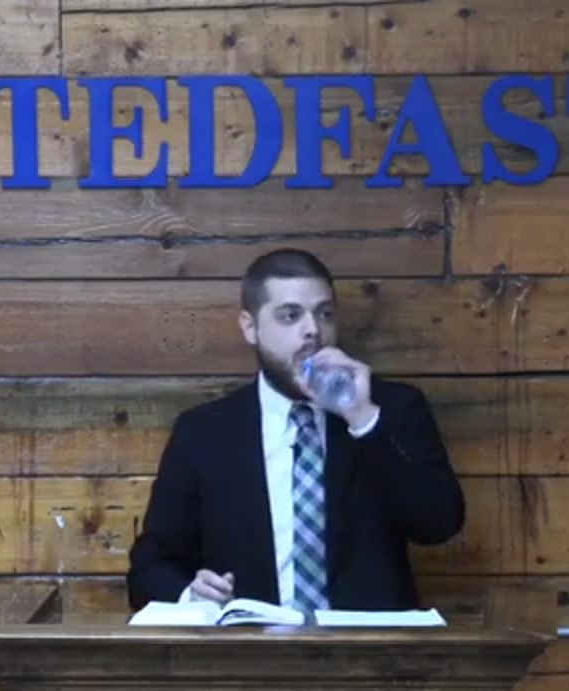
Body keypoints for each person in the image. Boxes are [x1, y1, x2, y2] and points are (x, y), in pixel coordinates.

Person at [125, 248, 465, 613]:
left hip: (369, 645)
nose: (313, 330)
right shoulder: (204, 433)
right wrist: (192, 596)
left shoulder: (392, 409)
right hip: (250, 643)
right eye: (290, 316)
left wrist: (363, 418)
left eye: (325, 314)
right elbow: (149, 569)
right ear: (250, 327)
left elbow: (439, 524)